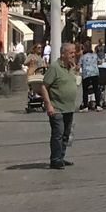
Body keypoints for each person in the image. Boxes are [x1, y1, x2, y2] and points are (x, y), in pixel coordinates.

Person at [39, 42, 79, 170]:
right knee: (58, 134)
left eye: (74, 52)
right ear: (63, 54)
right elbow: (44, 86)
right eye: (71, 53)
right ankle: (55, 160)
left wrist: (75, 69)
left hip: (69, 107)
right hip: (57, 107)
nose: (74, 55)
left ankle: (60, 157)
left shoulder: (70, 67)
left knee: (66, 134)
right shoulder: (54, 67)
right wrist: (48, 105)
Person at [78, 44, 102, 111]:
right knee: (96, 89)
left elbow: (78, 66)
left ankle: (85, 106)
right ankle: (98, 105)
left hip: (86, 74)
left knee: (85, 90)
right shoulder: (95, 55)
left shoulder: (83, 57)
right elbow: (100, 62)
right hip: (95, 73)